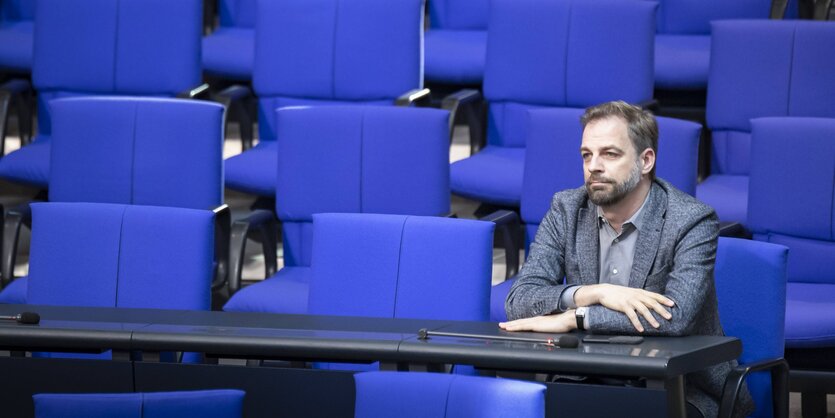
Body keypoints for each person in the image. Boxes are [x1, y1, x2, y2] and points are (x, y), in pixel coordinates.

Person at [499, 101, 753, 418]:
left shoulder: (690, 220)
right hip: (585, 379)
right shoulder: (567, 209)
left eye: (610, 154)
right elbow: (520, 299)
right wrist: (594, 292)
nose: (594, 166)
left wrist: (578, 318)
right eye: (586, 155)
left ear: (645, 160)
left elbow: (676, 316)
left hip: (673, 387)